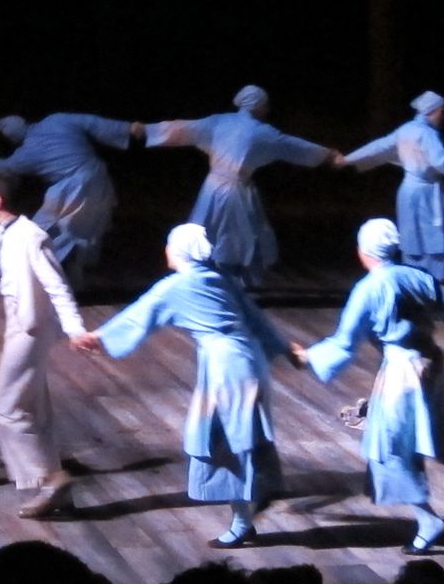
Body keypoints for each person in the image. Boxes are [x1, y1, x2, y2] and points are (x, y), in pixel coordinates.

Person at [70, 223, 299, 548]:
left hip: (227, 368)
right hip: (249, 360)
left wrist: (99, 337)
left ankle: (243, 519)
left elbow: (140, 315)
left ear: (179, 251)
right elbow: (256, 318)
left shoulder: (177, 285)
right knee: (237, 437)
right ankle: (249, 507)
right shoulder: (219, 278)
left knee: (224, 441)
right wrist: (284, 348)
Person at [304, 218, 444, 554]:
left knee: (391, 446)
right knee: (434, 432)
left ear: (365, 251)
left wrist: (309, 357)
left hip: (403, 373)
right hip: (431, 362)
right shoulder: (417, 276)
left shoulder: (369, 288)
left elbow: (345, 342)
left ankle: (428, 521)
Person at [0, 171, 89, 519]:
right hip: (22, 326)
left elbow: (57, 286)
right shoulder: (9, 231)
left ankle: (50, 478)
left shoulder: (32, 237)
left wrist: (75, 329)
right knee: (33, 410)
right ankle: (57, 491)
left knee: (5, 409)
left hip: (30, 330)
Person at [145, 85, 340, 286]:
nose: (267, 108)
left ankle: (209, 277)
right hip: (233, 191)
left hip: (213, 187)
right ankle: (229, 281)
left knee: (211, 230)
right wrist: (327, 155)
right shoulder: (261, 132)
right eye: (265, 104)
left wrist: (147, 131)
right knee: (235, 236)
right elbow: (293, 146)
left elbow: (184, 128)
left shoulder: (220, 122)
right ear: (258, 105)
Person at [0, 111, 146, 287]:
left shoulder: (27, 153)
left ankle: (38, 277)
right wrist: (128, 128)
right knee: (82, 234)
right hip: (100, 181)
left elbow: (5, 167)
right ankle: (70, 281)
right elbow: (92, 122)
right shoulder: (56, 121)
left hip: (74, 190)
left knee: (41, 232)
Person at [339, 91, 444, 283]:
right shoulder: (427, 134)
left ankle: (414, 277)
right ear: (437, 111)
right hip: (426, 192)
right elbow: (442, 161)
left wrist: (348, 159)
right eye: (443, 112)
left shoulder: (405, 130)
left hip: (408, 191)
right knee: (433, 237)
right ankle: (434, 281)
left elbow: (378, 147)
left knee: (412, 238)